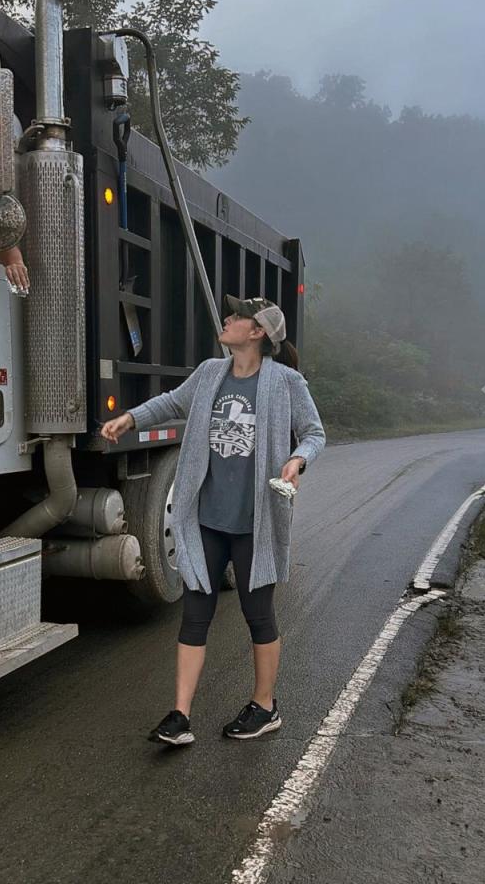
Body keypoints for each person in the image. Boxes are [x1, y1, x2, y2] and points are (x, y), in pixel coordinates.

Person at [100, 295, 326, 746]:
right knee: (194, 614)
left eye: (238, 315)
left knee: (257, 614)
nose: (228, 319)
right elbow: (170, 402)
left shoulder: (286, 382)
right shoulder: (209, 373)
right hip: (207, 519)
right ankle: (180, 715)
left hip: (255, 523)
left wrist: (298, 460)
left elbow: (315, 433)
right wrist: (129, 417)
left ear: (258, 331)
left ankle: (265, 706)